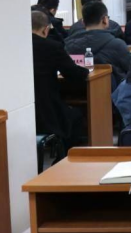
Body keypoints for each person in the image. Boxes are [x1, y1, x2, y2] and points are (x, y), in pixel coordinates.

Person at [31, 9, 88, 153]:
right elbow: (73, 74)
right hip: (46, 107)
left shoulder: (15, 48)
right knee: (75, 116)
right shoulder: (51, 47)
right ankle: (64, 156)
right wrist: (87, 71)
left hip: (24, 108)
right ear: (45, 30)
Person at [64, 1, 131, 87]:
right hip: (111, 93)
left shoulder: (68, 45)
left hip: (74, 92)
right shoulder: (117, 44)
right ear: (105, 20)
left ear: (83, 22)